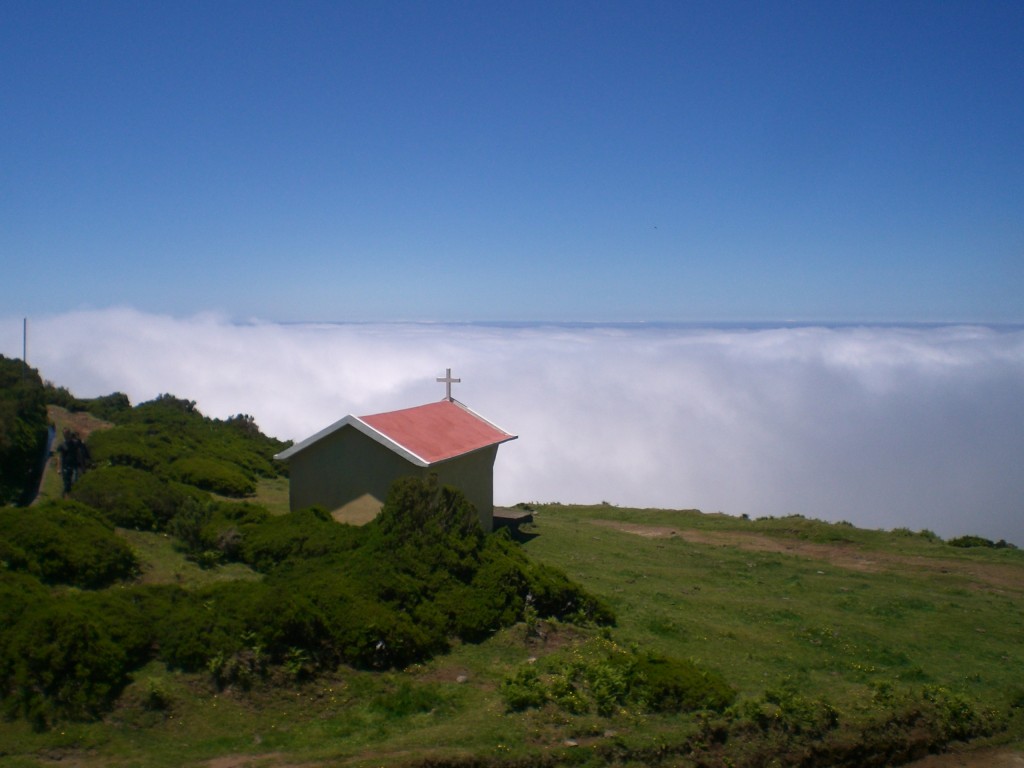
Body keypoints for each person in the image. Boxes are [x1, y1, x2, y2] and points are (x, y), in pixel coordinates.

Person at [56, 429, 89, 495]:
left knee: (75, 482)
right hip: (65, 467)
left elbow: (79, 454)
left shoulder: (75, 443)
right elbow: (60, 457)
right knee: (67, 484)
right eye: (65, 434)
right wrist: (58, 468)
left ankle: (73, 495)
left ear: (70, 434)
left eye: (67, 434)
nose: (66, 436)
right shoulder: (62, 445)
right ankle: (66, 496)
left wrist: (82, 466)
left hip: (74, 466)